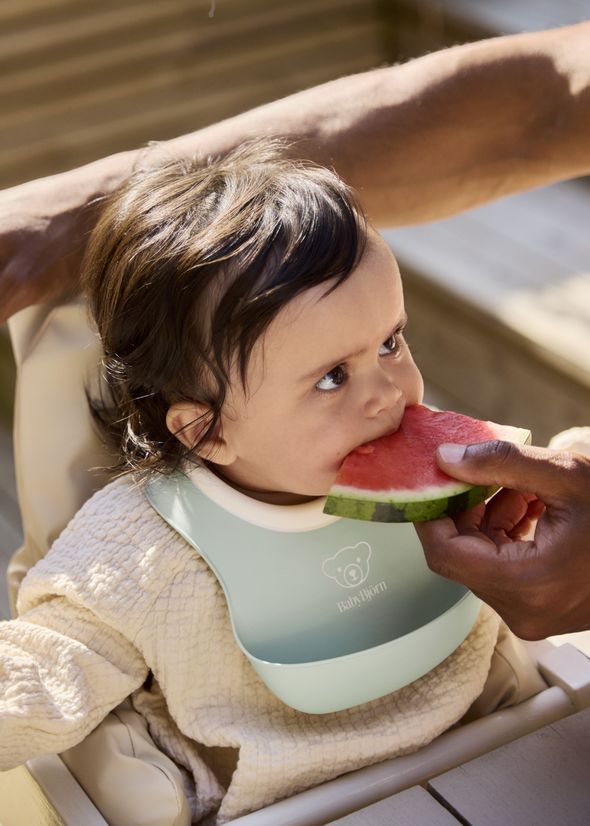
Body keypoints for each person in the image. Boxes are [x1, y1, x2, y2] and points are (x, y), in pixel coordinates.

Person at [0, 141, 545, 824]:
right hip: (277, 802)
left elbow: (559, 473)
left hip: (495, 741)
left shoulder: (446, 459)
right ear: (206, 432)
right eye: (331, 377)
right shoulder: (144, 548)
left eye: (390, 342)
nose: (390, 394)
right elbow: (47, 672)